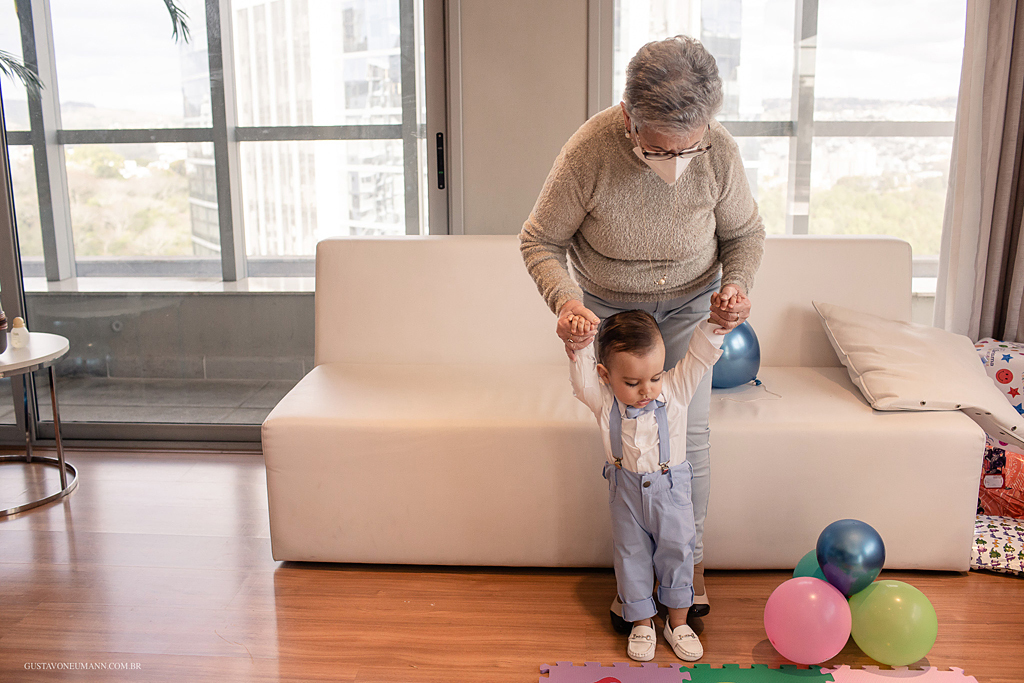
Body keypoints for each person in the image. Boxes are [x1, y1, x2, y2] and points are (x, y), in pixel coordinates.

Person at [519, 35, 765, 630]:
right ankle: (633, 582)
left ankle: (687, 569)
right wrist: (567, 302)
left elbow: (744, 234)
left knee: (688, 431)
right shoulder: (590, 151)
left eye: (691, 146)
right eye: (660, 150)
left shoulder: (719, 152)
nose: (678, 162)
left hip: (689, 303)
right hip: (610, 310)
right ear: (630, 119)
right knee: (621, 435)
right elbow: (540, 240)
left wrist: (736, 285)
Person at [567, 308, 730, 661]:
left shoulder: (676, 389)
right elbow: (581, 383)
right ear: (606, 375)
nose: (646, 391)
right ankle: (642, 621)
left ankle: (677, 621)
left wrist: (719, 320)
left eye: (654, 377)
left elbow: (701, 354)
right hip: (625, 492)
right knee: (630, 556)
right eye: (632, 383)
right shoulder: (603, 400)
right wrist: (579, 345)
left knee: (678, 552)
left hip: (671, 490)